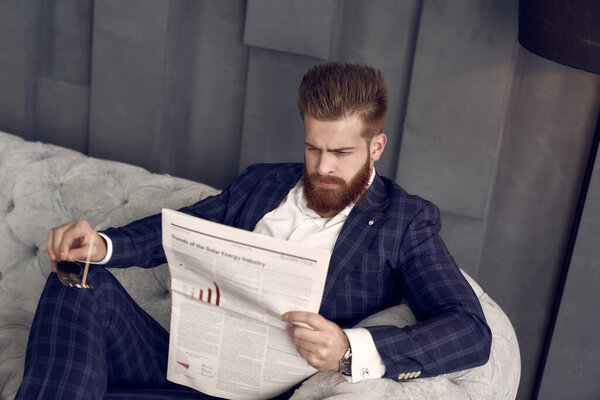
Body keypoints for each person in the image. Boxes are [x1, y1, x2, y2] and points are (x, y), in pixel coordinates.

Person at [17, 62, 491, 399]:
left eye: (341, 153)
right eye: (312, 148)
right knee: (76, 279)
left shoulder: (406, 222)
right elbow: (182, 229)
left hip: (264, 392)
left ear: (376, 146)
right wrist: (102, 245)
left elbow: (469, 332)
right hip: (179, 365)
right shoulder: (262, 183)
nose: (323, 167)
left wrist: (350, 349)